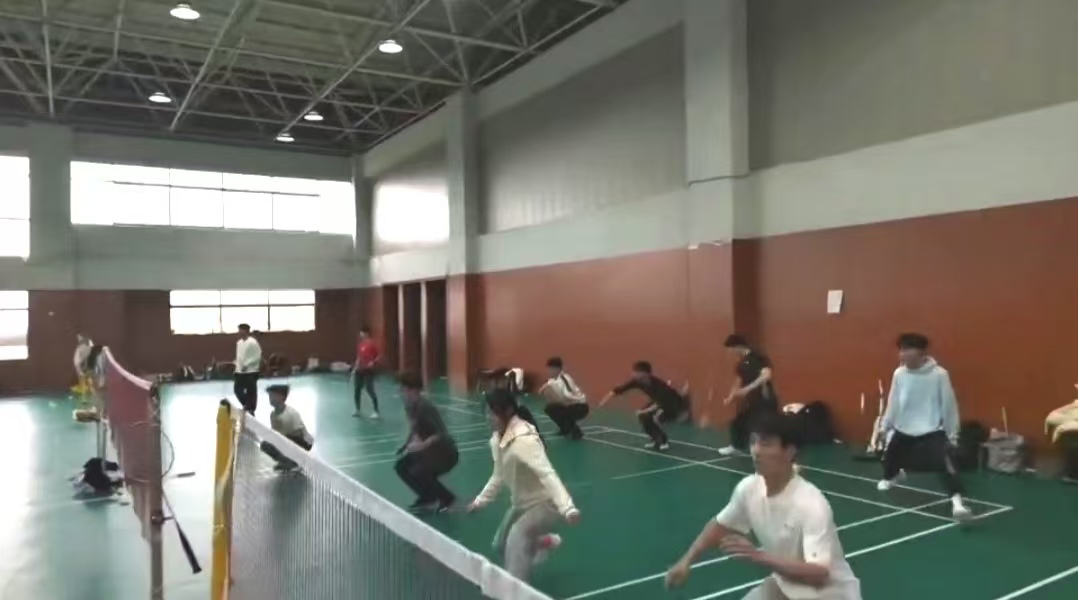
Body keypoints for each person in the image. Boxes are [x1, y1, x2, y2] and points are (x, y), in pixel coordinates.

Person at [666, 413, 862, 599]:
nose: (756, 451)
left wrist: (758, 556)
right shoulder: (749, 488)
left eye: (766, 444)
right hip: (786, 584)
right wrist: (686, 561)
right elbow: (720, 525)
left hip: (829, 594)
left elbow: (819, 574)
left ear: (789, 451)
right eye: (753, 442)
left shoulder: (812, 505)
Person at [468, 389, 581, 582]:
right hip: (522, 504)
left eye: (492, 412)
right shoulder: (497, 440)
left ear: (508, 411)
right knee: (500, 545)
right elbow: (498, 475)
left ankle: (515, 590)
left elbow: (547, 474)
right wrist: (480, 501)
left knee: (517, 538)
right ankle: (543, 541)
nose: (488, 417)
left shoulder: (524, 441)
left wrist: (567, 507)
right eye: (486, 412)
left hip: (546, 504)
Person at [878, 333, 971, 521]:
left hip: (932, 430)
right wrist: (884, 426)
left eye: (907, 350)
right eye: (901, 350)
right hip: (903, 429)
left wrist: (952, 435)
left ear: (921, 353)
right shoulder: (899, 374)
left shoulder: (939, 375)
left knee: (946, 467)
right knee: (888, 464)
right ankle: (896, 476)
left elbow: (948, 405)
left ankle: (958, 505)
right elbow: (893, 402)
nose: (902, 354)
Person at [394, 372, 459, 512]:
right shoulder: (409, 406)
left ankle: (447, 498)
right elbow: (414, 428)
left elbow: (441, 433)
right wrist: (405, 445)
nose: (401, 392)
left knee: (418, 471)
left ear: (413, 390)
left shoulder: (425, 407)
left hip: (445, 452)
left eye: (403, 389)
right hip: (429, 451)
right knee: (401, 466)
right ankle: (427, 496)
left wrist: (422, 445)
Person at [599, 361, 691, 451]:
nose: (634, 374)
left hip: (671, 403)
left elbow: (660, 403)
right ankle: (654, 439)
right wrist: (604, 401)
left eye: (637, 373)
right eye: (634, 372)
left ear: (646, 374)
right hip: (657, 401)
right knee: (643, 417)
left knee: (655, 418)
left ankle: (663, 441)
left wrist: (644, 411)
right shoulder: (636, 381)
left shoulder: (658, 385)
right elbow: (619, 390)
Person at [718, 334, 781, 456]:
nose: (731, 352)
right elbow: (738, 381)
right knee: (738, 423)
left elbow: (766, 375)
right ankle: (737, 446)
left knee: (768, 428)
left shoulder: (758, 357)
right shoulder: (741, 363)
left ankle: (784, 456)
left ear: (738, 346)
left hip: (765, 398)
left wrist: (747, 389)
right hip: (752, 400)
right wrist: (730, 397)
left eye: (731, 349)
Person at [260, 384, 313, 472]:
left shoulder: (290, 413)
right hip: (287, 440)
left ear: (281, 397)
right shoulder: (273, 414)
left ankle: (293, 461)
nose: (270, 398)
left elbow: (299, 434)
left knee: (279, 441)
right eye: (270, 396)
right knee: (265, 444)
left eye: (273, 396)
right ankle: (285, 461)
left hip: (302, 442)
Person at [537, 357, 589, 440]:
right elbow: (542, 390)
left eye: (550, 369)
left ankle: (576, 432)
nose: (549, 371)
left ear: (557, 369)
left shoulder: (565, 379)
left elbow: (570, 395)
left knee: (559, 410)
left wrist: (559, 401)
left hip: (579, 406)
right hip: (568, 404)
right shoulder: (552, 380)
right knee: (550, 408)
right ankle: (565, 429)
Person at [233, 323, 262, 414]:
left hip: (251, 371)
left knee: (251, 391)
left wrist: (247, 364)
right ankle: (247, 404)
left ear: (246, 331)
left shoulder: (253, 342)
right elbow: (239, 356)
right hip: (240, 371)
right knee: (237, 390)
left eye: (241, 330)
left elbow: (257, 356)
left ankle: (251, 408)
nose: (239, 332)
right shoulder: (239, 343)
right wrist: (236, 366)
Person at [353, 327, 381, 419]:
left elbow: (378, 356)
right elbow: (359, 357)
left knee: (370, 389)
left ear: (366, 333)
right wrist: (355, 367)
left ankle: (376, 411)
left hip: (368, 370)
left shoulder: (372, 344)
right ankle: (357, 410)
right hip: (359, 370)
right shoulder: (360, 345)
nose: (361, 335)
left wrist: (372, 362)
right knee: (357, 389)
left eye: (362, 333)